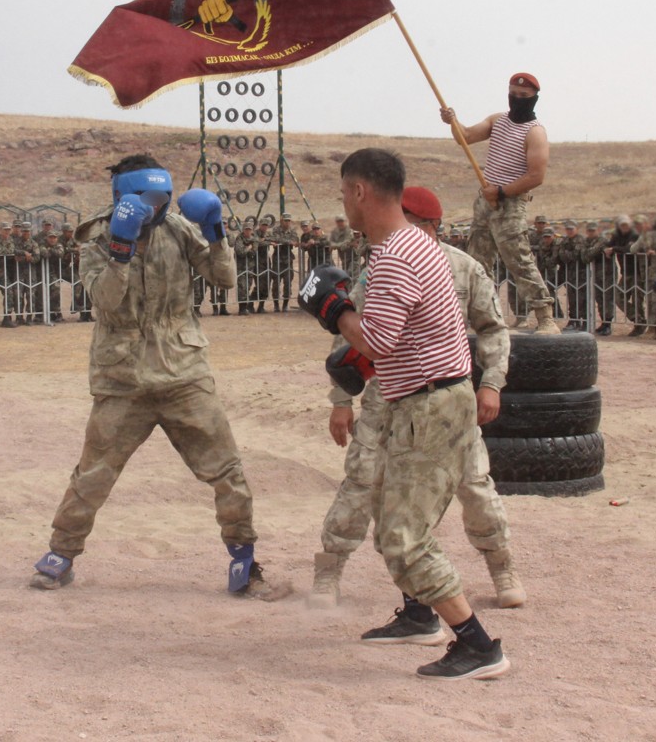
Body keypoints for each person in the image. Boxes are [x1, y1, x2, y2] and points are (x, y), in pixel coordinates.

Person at [299, 148, 510, 681]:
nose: (343, 204)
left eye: (344, 192)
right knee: (396, 518)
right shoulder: (415, 245)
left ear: (360, 192)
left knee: (403, 536)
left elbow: (377, 343)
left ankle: (479, 646)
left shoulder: (395, 256)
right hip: (422, 400)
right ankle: (420, 615)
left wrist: (335, 309)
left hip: (429, 406)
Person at [29, 155, 272, 598]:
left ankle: (245, 560)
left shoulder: (179, 229)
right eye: (147, 197)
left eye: (162, 197)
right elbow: (105, 303)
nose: (156, 206)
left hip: (184, 373)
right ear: (124, 196)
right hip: (123, 379)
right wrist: (121, 250)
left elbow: (225, 280)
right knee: (93, 473)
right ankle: (61, 554)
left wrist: (216, 232)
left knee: (226, 470)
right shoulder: (97, 238)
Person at [440, 72, 559, 334]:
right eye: (513, 95)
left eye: (523, 97)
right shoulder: (498, 121)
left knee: (518, 260)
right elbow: (466, 137)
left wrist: (502, 192)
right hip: (485, 201)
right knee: (476, 261)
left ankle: (545, 317)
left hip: (510, 204)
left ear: (534, 99)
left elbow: (536, 175)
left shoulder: (535, 133)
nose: (517, 99)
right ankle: (479, 316)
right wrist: (453, 121)